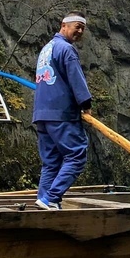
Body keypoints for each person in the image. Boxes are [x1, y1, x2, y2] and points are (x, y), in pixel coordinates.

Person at [33, 13, 92, 210]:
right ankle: (52, 197)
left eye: (83, 28)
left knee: (51, 161)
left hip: (42, 113)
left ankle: (44, 200)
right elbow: (76, 79)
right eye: (77, 26)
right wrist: (85, 105)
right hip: (61, 113)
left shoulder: (46, 49)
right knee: (76, 155)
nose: (80, 31)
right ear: (64, 25)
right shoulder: (66, 49)